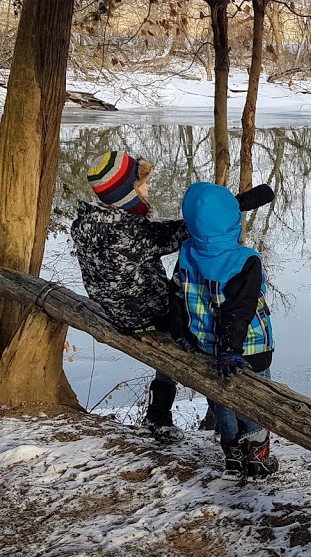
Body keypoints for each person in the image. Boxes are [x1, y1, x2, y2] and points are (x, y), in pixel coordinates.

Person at [71, 151, 189, 441]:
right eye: (142, 184)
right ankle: (160, 417)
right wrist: (226, 208)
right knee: (198, 318)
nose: (147, 190)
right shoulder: (130, 233)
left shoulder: (86, 222)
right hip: (143, 314)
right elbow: (180, 232)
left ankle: (159, 417)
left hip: (112, 309)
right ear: (126, 194)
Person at [176, 181, 278, 481]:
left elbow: (177, 296)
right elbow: (241, 310)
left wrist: (181, 333)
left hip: (206, 344)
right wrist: (231, 352)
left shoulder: (186, 252)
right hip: (251, 348)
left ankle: (233, 456)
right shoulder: (246, 259)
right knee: (256, 400)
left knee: (221, 399)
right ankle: (257, 458)